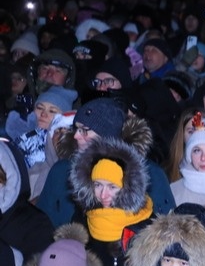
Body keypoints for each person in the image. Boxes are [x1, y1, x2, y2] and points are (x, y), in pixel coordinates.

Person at [37, 97, 175, 228]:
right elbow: (41, 224)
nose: (76, 136)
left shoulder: (148, 174)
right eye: (77, 129)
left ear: (107, 136)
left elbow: (168, 228)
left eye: (84, 131)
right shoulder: (61, 171)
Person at [69, 135, 155, 266]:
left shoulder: (148, 224)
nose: (103, 194)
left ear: (127, 187)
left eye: (112, 187)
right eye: (97, 185)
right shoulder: (82, 220)